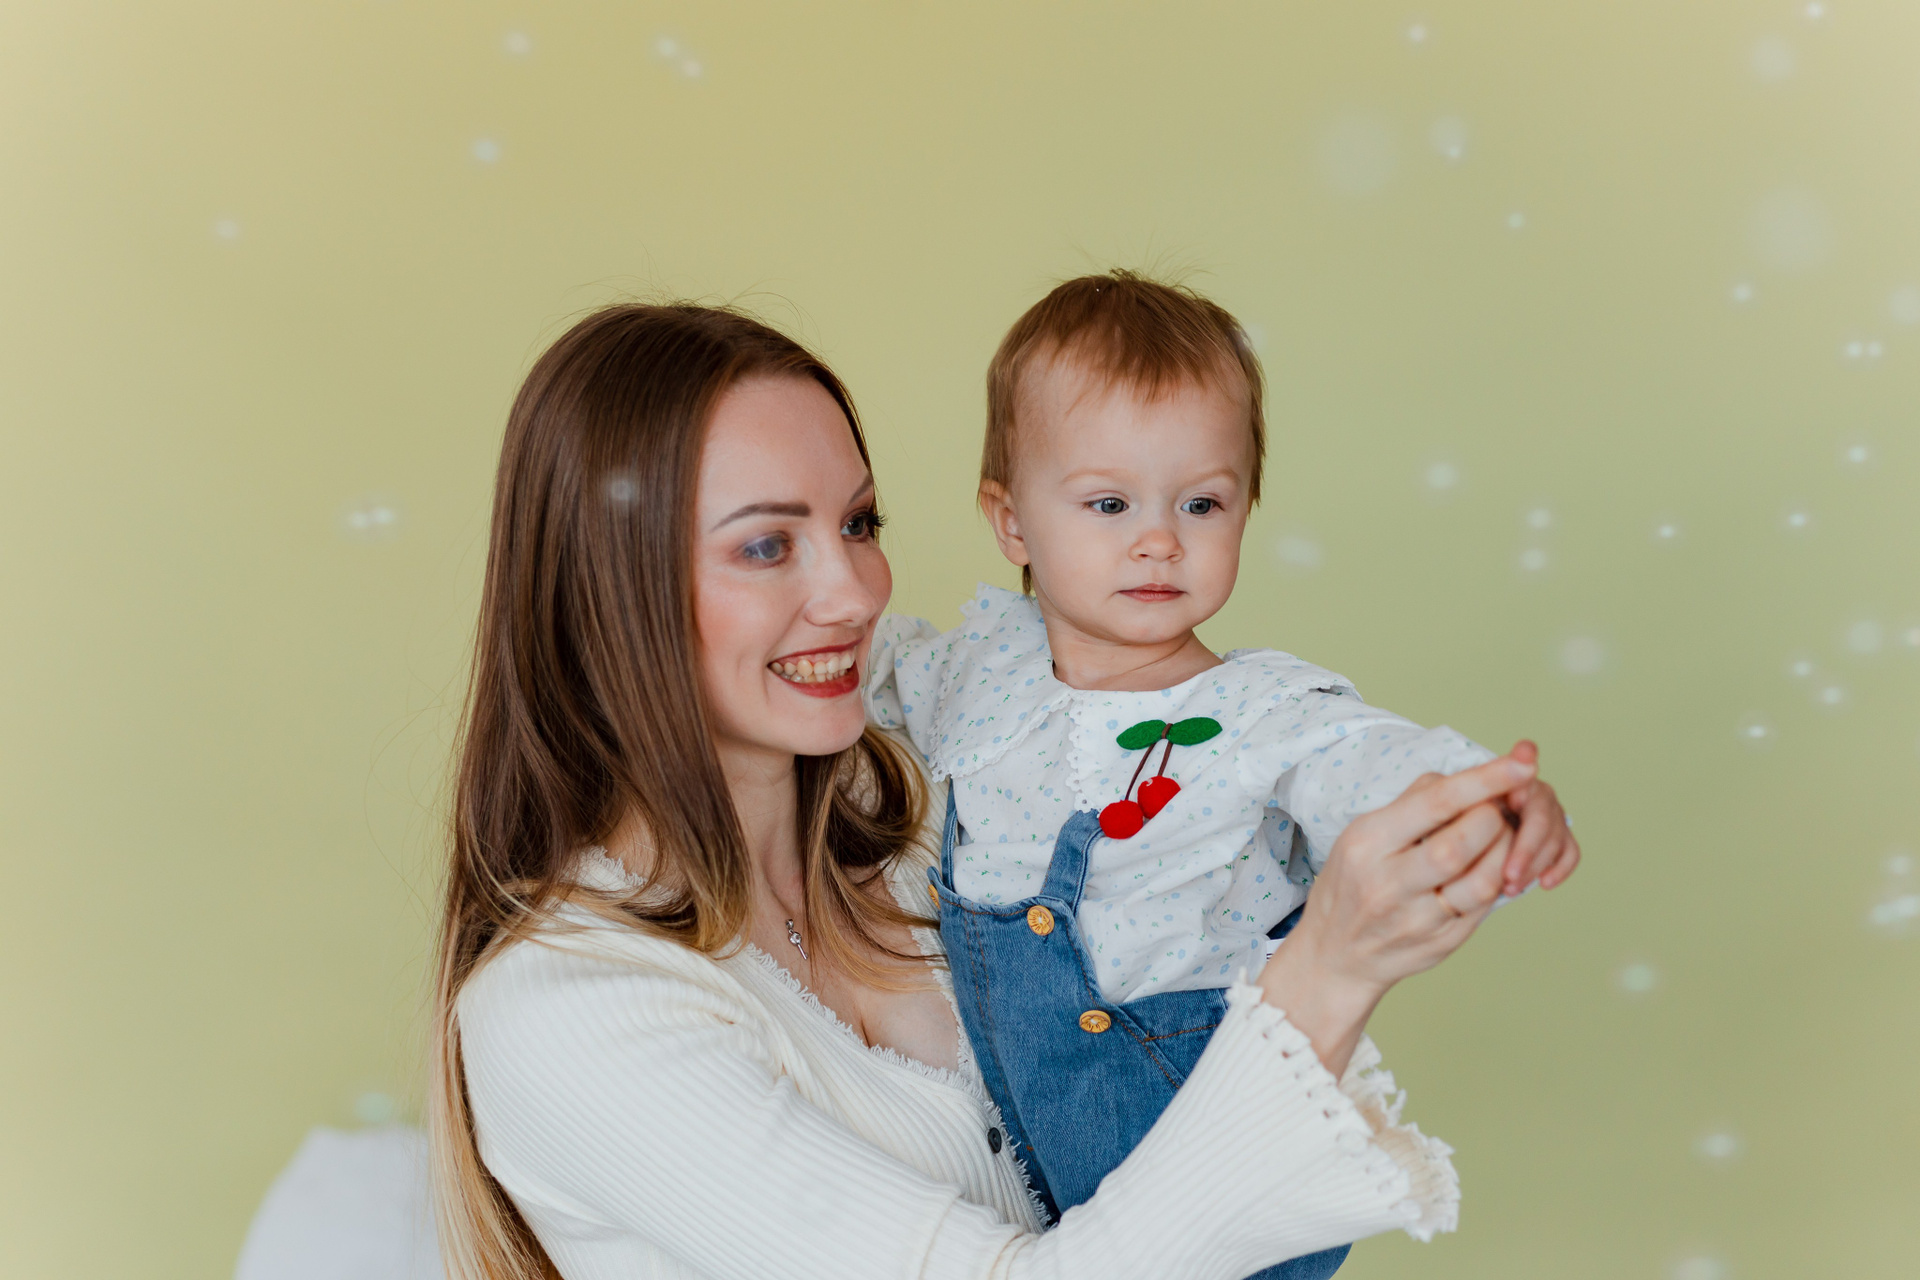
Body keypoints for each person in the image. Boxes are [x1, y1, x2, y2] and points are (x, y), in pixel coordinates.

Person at [430, 302, 1547, 1280]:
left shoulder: (943, 829)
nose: (855, 591)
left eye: (859, 524)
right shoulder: (568, 1008)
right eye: (768, 546)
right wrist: (1327, 975)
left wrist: (1451, 810)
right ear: (607, 591)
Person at [867, 272, 1579, 1273]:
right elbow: (863, 664)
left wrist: (1481, 799)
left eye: (1202, 502)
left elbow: (1363, 760)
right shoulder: (973, 670)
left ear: (1246, 507)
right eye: (1109, 503)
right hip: (1043, 1185)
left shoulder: (1257, 709)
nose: (1160, 539)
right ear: (1013, 520)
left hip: (1217, 1147)